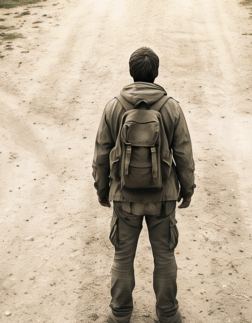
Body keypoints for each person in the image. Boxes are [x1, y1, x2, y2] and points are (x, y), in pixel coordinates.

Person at [93, 47, 195, 323]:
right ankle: (168, 314)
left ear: (131, 72)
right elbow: (183, 153)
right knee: (164, 257)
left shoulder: (114, 107)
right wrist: (187, 190)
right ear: (156, 73)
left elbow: (101, 153)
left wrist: (102, 190)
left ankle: (120, 314)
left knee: (122, 258)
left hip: (125, 197)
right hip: (163, 197)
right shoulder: (171, 107)